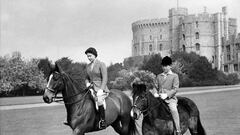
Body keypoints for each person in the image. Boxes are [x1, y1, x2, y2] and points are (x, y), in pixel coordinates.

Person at [153, 56, 181, 135]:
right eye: (163, 66)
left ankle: (178, 130)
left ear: (170, 66)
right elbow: (155, 87)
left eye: (166, 66)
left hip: (170, 99)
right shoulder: (159, 76)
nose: (164, 68)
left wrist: (167, 95)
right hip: (159, 99)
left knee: (173, 110)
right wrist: (155, 93)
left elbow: (175, 89)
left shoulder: (175, 76)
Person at [85, 47, 109, 129]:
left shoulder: (101, 64)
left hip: (101, 88)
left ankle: (102, 121)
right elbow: (86, 78)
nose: (88, 58)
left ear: (95, 55)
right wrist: (87, 83)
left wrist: (101, 89)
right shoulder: (87, 66)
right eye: (87, 56)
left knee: (99, 100)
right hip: (91, 88)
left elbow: (105, 78)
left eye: (90, 56)